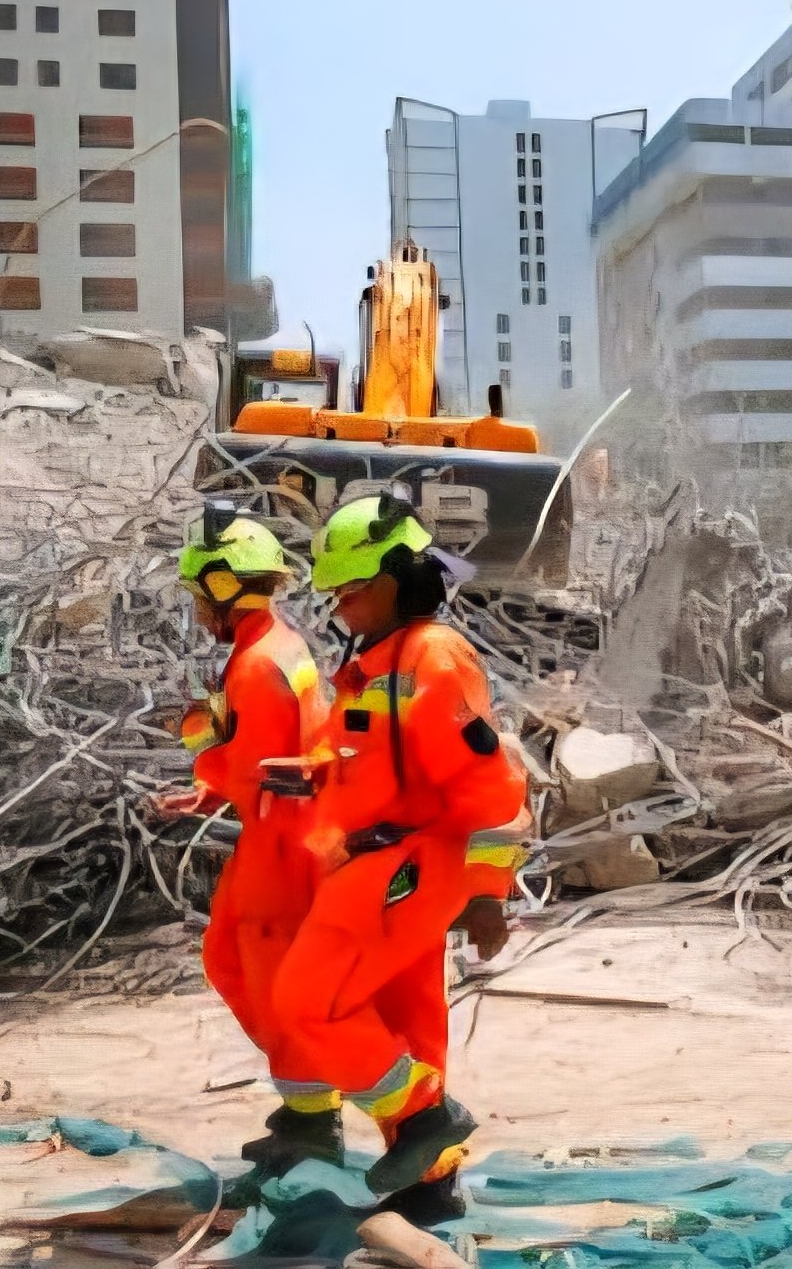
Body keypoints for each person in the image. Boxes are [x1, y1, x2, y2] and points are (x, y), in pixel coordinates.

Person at [265, 489, 530, 1222]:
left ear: (390, 582)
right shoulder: (374, 665)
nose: (340, 609)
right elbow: (357, 751)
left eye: (349, 593)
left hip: (412, 864)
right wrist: (306, 771)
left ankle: (424, 1120)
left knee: (307, 1003)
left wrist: (488, 892)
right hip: (377, 862)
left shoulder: (433, 659)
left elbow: (492, 782)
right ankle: (430, 1182)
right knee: (405, 1024)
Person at [159, 500, 335, 1173]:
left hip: (281, 845)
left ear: (225, 586)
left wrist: (200, 747)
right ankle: (307, 1109)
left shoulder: (258, 664)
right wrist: (211, 786)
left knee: (264, 976)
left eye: (200, 594)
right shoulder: (274, 645)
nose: (198, 609)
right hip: (281, 834)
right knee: (234, 962)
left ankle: (314, 1123)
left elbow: (255, 769)